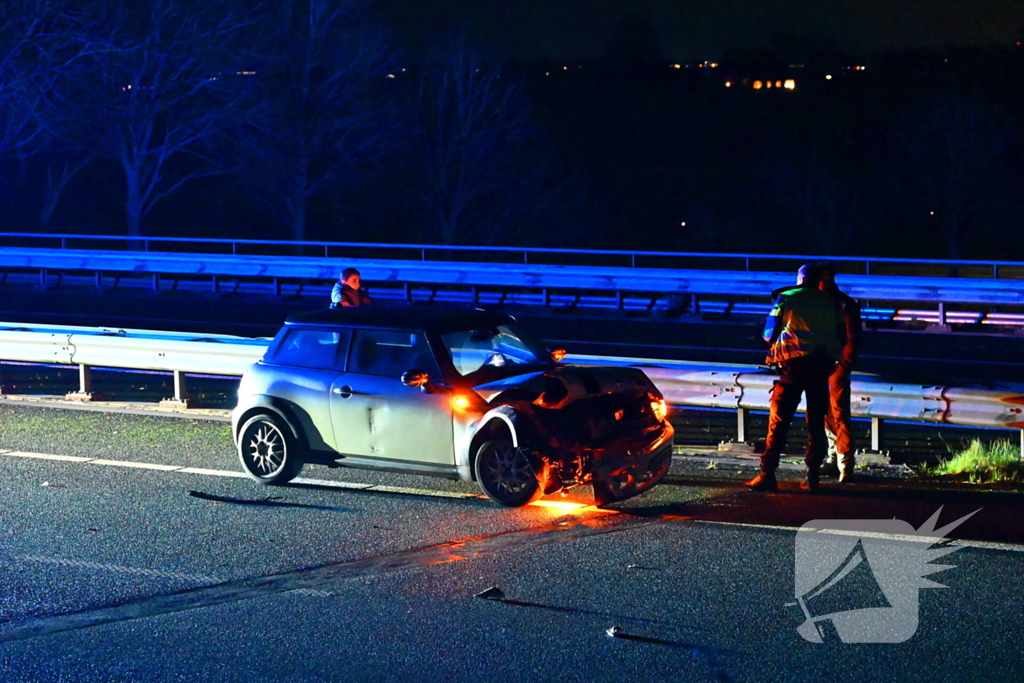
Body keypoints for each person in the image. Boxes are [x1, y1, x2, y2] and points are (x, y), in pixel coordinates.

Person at [746, 263, 843, 493]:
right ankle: (812, 477)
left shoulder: (786, 297)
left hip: (791, 368)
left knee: (779, 423)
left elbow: (769, 334)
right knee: (816, 423)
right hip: (821, 368)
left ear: (799, 279)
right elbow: (841, 335)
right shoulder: (830, 301)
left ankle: (767, 474)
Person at [816, 261, 862, 483]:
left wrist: (843, 365)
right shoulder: (818, 302)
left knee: (839, 413)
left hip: (834, 366)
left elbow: (852, 339)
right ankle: (834, 457)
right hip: (820, 365)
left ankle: (845, 464)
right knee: (825, 414)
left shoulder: (843, 304)